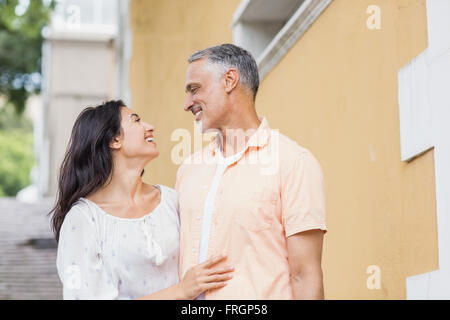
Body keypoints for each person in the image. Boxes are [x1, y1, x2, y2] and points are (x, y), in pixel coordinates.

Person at [176, 44, 327, 299]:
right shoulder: (188, 170)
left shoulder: (293, 162)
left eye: (195, 89)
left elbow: (305, 275)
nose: (187, 103)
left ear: (229, 80)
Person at [50, 100, 233, 300]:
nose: (150, 127)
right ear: (114, 140)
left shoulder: (171, 200)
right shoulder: (83, 220)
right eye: (136, 121)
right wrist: (181, 291)